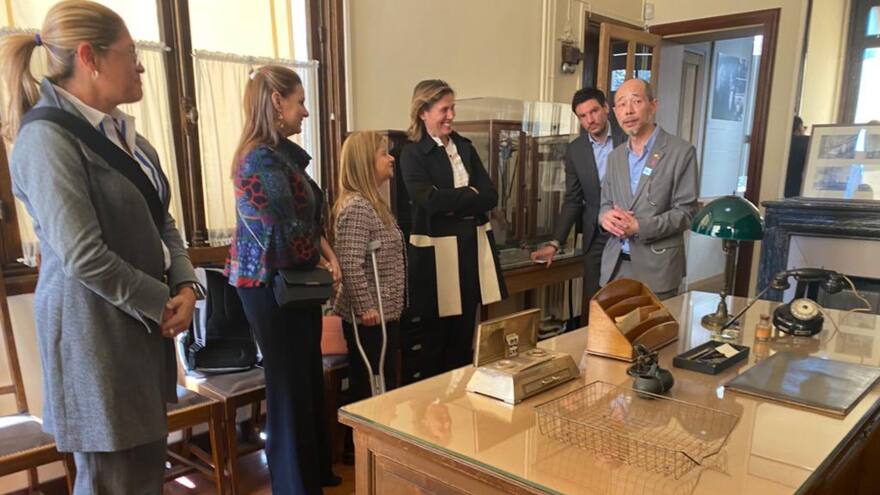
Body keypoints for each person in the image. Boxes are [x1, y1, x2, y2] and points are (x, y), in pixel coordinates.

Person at [0, 1, 201, 492]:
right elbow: (82, 254)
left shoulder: (129, 137)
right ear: (90, 57)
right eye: (130, 53)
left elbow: (164, 222)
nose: (140, 65)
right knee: (113, 481)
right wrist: (161, 303)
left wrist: (186, 285)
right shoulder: (46, 140)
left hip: (140, 330)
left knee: (145, 473)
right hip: (94, 340)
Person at [225, 65, 340, 494]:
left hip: (291, 280)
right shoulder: (258, 158)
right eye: (300, 102)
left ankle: (310, 474)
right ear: (277, 102)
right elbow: (282, 232)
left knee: (306, 377)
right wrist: (323, 260)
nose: (305, 112)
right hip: (268, 285)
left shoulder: (277, 157)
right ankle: (294, 485)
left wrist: (327, 256)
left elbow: (306, 222)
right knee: (289, 385)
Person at [400, 79, 507, 377]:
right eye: (444, 109)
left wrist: (459, 200)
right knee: (436, 340)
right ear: (423, 112)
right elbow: (429, 200)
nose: (451, 115)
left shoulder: (465, 147)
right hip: (436, 256)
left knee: (463, 338)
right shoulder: (412, 154)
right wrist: (470, 197)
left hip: (471, 249)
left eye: (453, 108)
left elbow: (490, 194)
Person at [598, 78, 698, 299]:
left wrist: (640, 227)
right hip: (616, 267)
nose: (629, 111)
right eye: (622, 104)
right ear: (615, 112)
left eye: (636, 101)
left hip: (658, 268)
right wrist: (605, 217)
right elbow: (605, 202)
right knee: (614, 332)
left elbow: (687, 213)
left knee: (655, 333)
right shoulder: (615, 157)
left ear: (653, 105)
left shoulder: (681, 152)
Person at [531, 87, 626, 320]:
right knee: (595, 304)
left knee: (624, 302)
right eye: (582, 116)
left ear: (606, 108)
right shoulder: (575, 150)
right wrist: (555, 242)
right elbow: (573, 199)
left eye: (594, 111)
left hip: (629, 232)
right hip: (596, 234)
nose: (590, 120)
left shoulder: (628, 139)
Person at [333, 131, 406, 400]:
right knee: (370, 387)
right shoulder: (357, 207)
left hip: (384, 312)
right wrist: (365, 307)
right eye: (383, 153)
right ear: (365, 162)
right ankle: (363, 442)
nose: (391, 158)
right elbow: (350, 263)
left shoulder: (375, 203)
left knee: (384, 384)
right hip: (370, 317)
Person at [784, 115, 810, 198]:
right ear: (799, 128)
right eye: (803, 128)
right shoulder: (805, 143)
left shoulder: (781, 142)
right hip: (797, 191)